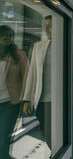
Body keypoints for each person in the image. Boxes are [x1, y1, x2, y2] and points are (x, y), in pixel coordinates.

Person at [0, 25, 28, 159]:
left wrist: (26, 100)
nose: (7, 38)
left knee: (3, 136)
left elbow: (27, 78)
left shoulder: (18, 55)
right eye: (4, 35)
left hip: (10, 103)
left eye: (10, 35)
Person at [23, 15, 52, 148]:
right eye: (45, 26)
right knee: (47, 134)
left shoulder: (68, 44)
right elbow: (32, 74)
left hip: (61, 101)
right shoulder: (39, 46)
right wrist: (28, 99)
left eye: (50, 26)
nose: (47, 30)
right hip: (42, 99)